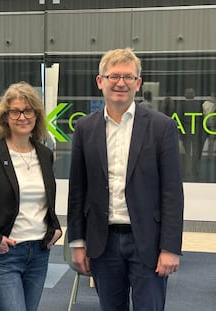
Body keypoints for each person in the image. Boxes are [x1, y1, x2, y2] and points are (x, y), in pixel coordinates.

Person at [67, 48, 184, 311]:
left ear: (138, 83)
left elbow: (172, 192)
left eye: (128, 77)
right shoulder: (85, 129)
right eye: (114, 76)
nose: (121, 83)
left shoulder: (160, 126)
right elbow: (77, 191)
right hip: (102, 241)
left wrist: (170, 247)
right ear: (100, 81)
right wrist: (77, 242)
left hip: (148, 242)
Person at [0, 81, 62, 311]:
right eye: (15, 111)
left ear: (36, 116)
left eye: (28, 111)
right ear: (5, 116)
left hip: (38, 254)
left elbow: (45, 200)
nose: (22, 117)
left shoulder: (45, 154)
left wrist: (55, 227)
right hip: (1, 255)